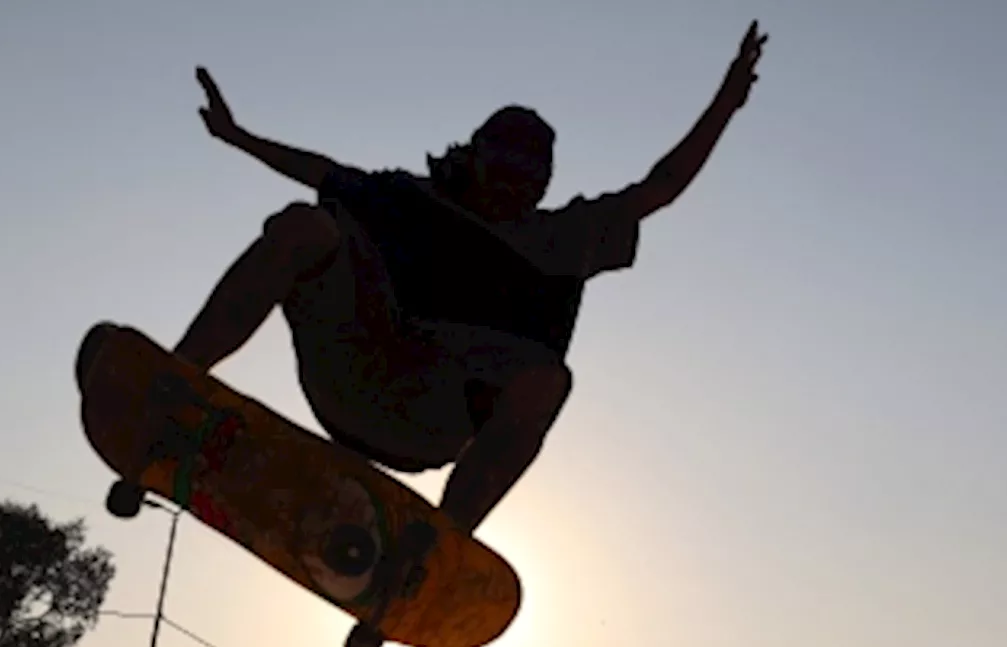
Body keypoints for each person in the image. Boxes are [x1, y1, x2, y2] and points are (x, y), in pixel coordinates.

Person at [174, 21, 768, 536]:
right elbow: (320, 172)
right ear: (475, 154)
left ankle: (440, 541)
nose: (518, 186)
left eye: (534, 177)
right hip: (351, 367)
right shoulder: (406, 197)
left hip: (430, 419)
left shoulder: (560, 238)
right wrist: (238, 136)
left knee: (547, 382)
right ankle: (176, 378)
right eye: (507, 167)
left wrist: (726, 104)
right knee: (304, 226)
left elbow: (658, 189)